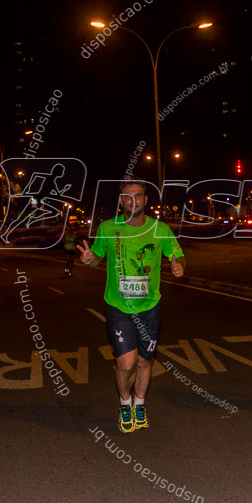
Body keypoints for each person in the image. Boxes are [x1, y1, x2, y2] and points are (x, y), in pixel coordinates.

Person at [77, 179, 185, 433]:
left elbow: (177, 254)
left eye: (138, 196)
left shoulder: (160, 229)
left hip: (149, 307)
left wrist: (178, 265)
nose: (133, 200)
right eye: (127, 197)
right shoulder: (107, 227)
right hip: (119, 306)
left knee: (144, 362)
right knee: (126, 363)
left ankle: (140, 404)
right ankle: (125, 402)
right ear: (121, 201)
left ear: (146, 200)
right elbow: (95, 260)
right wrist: (88, 260)